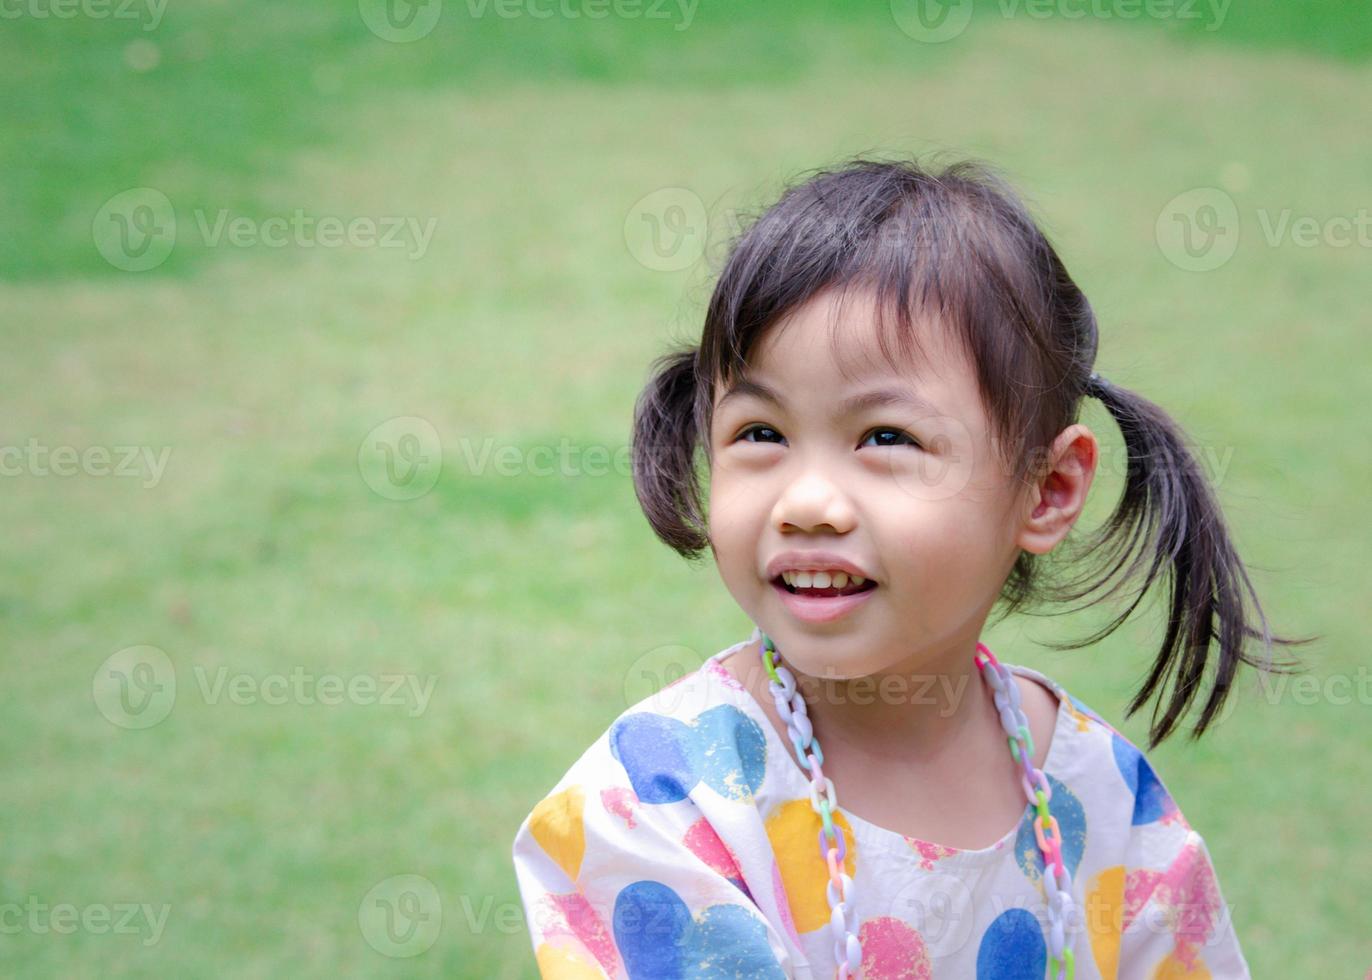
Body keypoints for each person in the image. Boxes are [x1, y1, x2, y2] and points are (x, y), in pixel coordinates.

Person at [511, 155, 1304, 978]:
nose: (807, 502)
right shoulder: (655, 803)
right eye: (761, 434)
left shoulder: (1097, 791)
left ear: (1047, 489)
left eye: (885, 438)